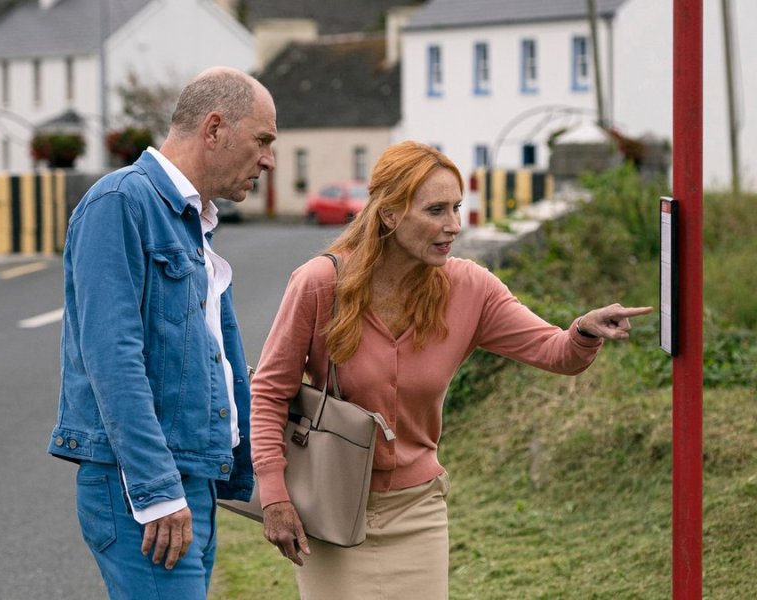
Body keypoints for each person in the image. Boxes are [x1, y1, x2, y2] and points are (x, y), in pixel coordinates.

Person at [249, 140, 652, 599]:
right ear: (390, 214)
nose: (454, 226)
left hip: (416, 511)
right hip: (331, 506)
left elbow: (555, 351)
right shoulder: (320, 283)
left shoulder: (471, 288)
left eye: (458, 208)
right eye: (436, 210)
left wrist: (584, 329)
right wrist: (275, 495)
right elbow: (269, 393)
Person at [47, 66, 276, 599]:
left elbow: (201, 357)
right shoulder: (121, 203)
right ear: (214, 128)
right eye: (262, 140)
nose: (268, 160)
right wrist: (157, 492)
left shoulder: (190, 220)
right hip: (143, 487)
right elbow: (113, 358)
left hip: (187, 477)